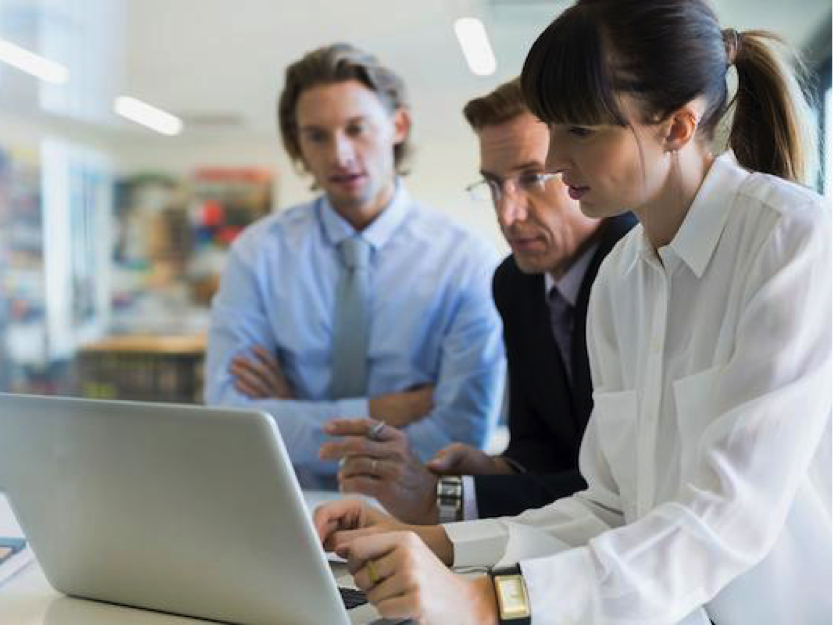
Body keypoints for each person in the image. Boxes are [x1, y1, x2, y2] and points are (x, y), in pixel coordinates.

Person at [314, 2, 833, 623]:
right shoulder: (622, 274)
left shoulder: (794, 242)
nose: (557, 160)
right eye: (554, 127)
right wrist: (432, 544)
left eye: (580, 131)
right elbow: (610, 508)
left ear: (676, 126)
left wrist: (488, 599)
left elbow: (727, 518)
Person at [319, 80, 636, 524]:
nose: (507, 215)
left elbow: (625, 487)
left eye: (531, 179)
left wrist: (453, 496)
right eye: (493, 185)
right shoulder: (515, 282)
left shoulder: (638, 267)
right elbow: (541, 443)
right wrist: (495, 469)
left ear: (581, 166)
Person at [205, 43, 505, 486]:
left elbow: (459, 434)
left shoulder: (465, 260)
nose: (340, 155)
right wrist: (381, 412)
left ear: (397, 125)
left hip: (414, 518)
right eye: (317, 136)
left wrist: (290, 415)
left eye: (356, 128)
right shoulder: (258, 253)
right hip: (282, 500)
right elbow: (230, 418)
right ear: (298, 145)